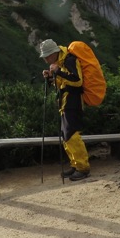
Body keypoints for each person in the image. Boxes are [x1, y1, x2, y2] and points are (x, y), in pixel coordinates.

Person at [39, 39, 90, 181]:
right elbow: (61, 83)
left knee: (72, 135)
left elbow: (77, 81)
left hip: (73, 102)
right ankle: (75, 165)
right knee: (66, 135)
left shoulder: (69, 60)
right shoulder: (60, 62)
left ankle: (83, 168)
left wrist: (58, 72)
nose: (45, 59)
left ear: (55, 53)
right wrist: (50, 78)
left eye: (47, 56)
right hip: (65, 102)